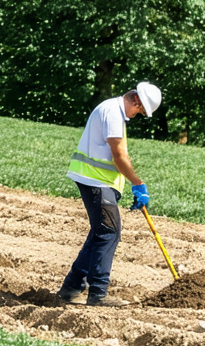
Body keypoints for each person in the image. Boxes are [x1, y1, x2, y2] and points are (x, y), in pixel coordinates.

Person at [58, 81, 162, 307]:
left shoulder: (110, 109)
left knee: (99, 233)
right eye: (140, 110)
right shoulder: (113, 113)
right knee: (109, 232)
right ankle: (98, 293)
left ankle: (71, 288)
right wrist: (137, 183)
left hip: (96, 180)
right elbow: (118, 155)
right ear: (135, 100)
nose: (138, 115)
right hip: (96, 181)